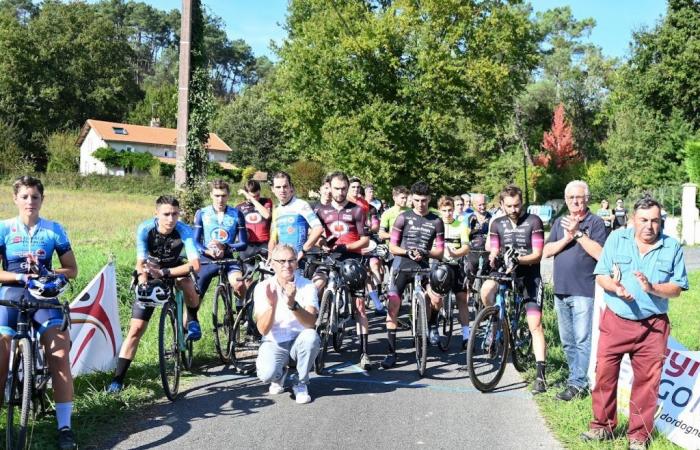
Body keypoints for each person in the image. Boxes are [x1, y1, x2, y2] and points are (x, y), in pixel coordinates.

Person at [581, 196, 688, 449]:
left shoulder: (672, 247)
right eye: (643, 220)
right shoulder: (617, 239)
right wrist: (616, 289)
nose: (649, 226)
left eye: (655, 220)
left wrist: (652, 288)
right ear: (632, 220)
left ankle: (638, 436)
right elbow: (601, 275)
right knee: (605, 375)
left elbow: (676, 289)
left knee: (647, 383)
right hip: (616, 320)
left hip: (653, 327)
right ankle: (602, 427)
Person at [0, 176, 79, 449]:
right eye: (25, 197)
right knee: (0, 352)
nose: (30, 202)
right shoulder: (4, 229)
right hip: (11, 295)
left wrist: (51, 274)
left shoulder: (54, 229)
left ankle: (65, 426)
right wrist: (20, 278)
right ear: (16, 199)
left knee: (59, 355)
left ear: (42, 200)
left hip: (45, 297)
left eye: (35, 197)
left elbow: (72, 269)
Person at [108, 195, 201, 393]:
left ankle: (192, 319)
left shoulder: (184, 230)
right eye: (166, 214)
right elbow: (140, 262)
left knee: (187, 282)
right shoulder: (145, 229)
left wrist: (166, 273)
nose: (171, 218)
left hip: (174, 268)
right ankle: (118, 379)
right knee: (136, 329)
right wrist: (143, 282)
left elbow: (195, 264)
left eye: (175, 214)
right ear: (156, 214)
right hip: (151, 271)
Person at [543, 181, 606, 401]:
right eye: (570, 198)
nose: (575, 202)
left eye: (579, 197)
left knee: (582, 339)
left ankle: (579, 384)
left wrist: (578, 234)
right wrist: (566, 238)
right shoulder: (561, 222)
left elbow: (601, 254)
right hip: (561, 289)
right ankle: (575, 378)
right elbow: (547, 250)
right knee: (568, 340)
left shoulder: (595, 222)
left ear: (587, 199)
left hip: (584, 290)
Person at [481, 184, 547, 394]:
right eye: (509, 206)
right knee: (486, 290)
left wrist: (517, 258)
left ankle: (541, 375)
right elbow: (494, 247)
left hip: (528, 274)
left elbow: (537, 254)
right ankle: (494, 321)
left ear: (522, 203)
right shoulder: (497, 223)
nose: (513, 209)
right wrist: (493, 255)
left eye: (517, 205)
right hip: (504, 270)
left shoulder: (533, 221)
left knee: (535, 325)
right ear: (501, 205)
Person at [382, 181, 444, 369]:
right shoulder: (403, 217)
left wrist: (425, 253)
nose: (420, 204)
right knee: (393, 305)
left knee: (436, 299)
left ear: (429, 199)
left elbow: (440, 251)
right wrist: (406, 252)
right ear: (411, 199)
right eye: (416, 200)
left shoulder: (436, 220)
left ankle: (432, 323)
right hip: (403, 263)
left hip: (424, 265)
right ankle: (391, 353)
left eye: (424, 200)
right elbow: (392, 246)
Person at [313, 171, 371, 368]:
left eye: (343, 189)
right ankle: (317, 329)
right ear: (329, 187)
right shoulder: (321, 210)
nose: (340, 192)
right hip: (330, 258)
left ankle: (364, 352)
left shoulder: (357, 210)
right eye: (336, 188)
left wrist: (347, 247)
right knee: (316, 288)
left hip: (352, 259)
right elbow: (317, 235)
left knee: (360, 307)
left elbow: (365, 239)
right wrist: (323, 244)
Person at [255, 244, 320, 404]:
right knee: (266, 375)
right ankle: (280, 374)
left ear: (297, 263)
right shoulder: (263, 287)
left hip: (299, 339)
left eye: (291, 260)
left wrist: (292, 304)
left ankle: (301, 382)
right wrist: (273, 304)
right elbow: (263, 329)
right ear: (272, 263)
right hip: (274, 340)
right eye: (281, 261)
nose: (287, 265)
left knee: (311, 337)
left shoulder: (307, 285)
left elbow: (311, 322)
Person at [194, 180, 248, 301]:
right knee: (195, 296)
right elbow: (195, 242)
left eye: (223, 196)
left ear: (228, 195)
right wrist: (207, 251)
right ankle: (191, 320)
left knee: (239, 285)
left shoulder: (237, 214)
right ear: (211, 195)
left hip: (228, 257)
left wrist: (225, 246)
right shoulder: (202, 213)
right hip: (207, 257)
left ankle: (243, 311)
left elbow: (244, 244)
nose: (220, 199)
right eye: (217, 195)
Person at [436, 196, 470, 347]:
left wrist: (456, 253)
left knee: (462, 299)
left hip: (456, 265)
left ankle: (466, 335)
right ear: (440, 211)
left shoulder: (461, 225)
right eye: (444, 210)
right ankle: (433, 326)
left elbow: (466, 247)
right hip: (440, 265)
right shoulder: (436, 225)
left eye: (450, 210)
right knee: (436, 298)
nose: (448, 213)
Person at [268, 171, 324, 263]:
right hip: (282, 261)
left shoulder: (301, 205)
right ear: (273, 189)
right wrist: (271, 256)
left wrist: (303, 251)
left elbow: (318, 228)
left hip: (299, 260)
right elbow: (273, 238)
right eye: (278, 187)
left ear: (290, 187)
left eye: (285, 186)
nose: (282, 190)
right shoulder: (276, 209)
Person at [462, 193, 491, 344]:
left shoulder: (491, 217)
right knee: (470, 274)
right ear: (474, 205)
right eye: (479, 204)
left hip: (487, 250)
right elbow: (464, 235)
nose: (482, 207)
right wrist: (471, 229)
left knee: (486, 276)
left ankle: (483, 305)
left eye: (484, 204)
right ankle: (469, 293)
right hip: (473, 250)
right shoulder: (469, 217)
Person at [237, 179, 273, 262]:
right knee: (247, 273)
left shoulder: (266, 202)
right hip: (248, 245)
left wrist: (251, 198)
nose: (256, 198)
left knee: (268, 273)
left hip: (264, 244)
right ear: (246, 195)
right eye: (253, 196)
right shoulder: (239, 207)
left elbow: (267, 215)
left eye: (258, 195)